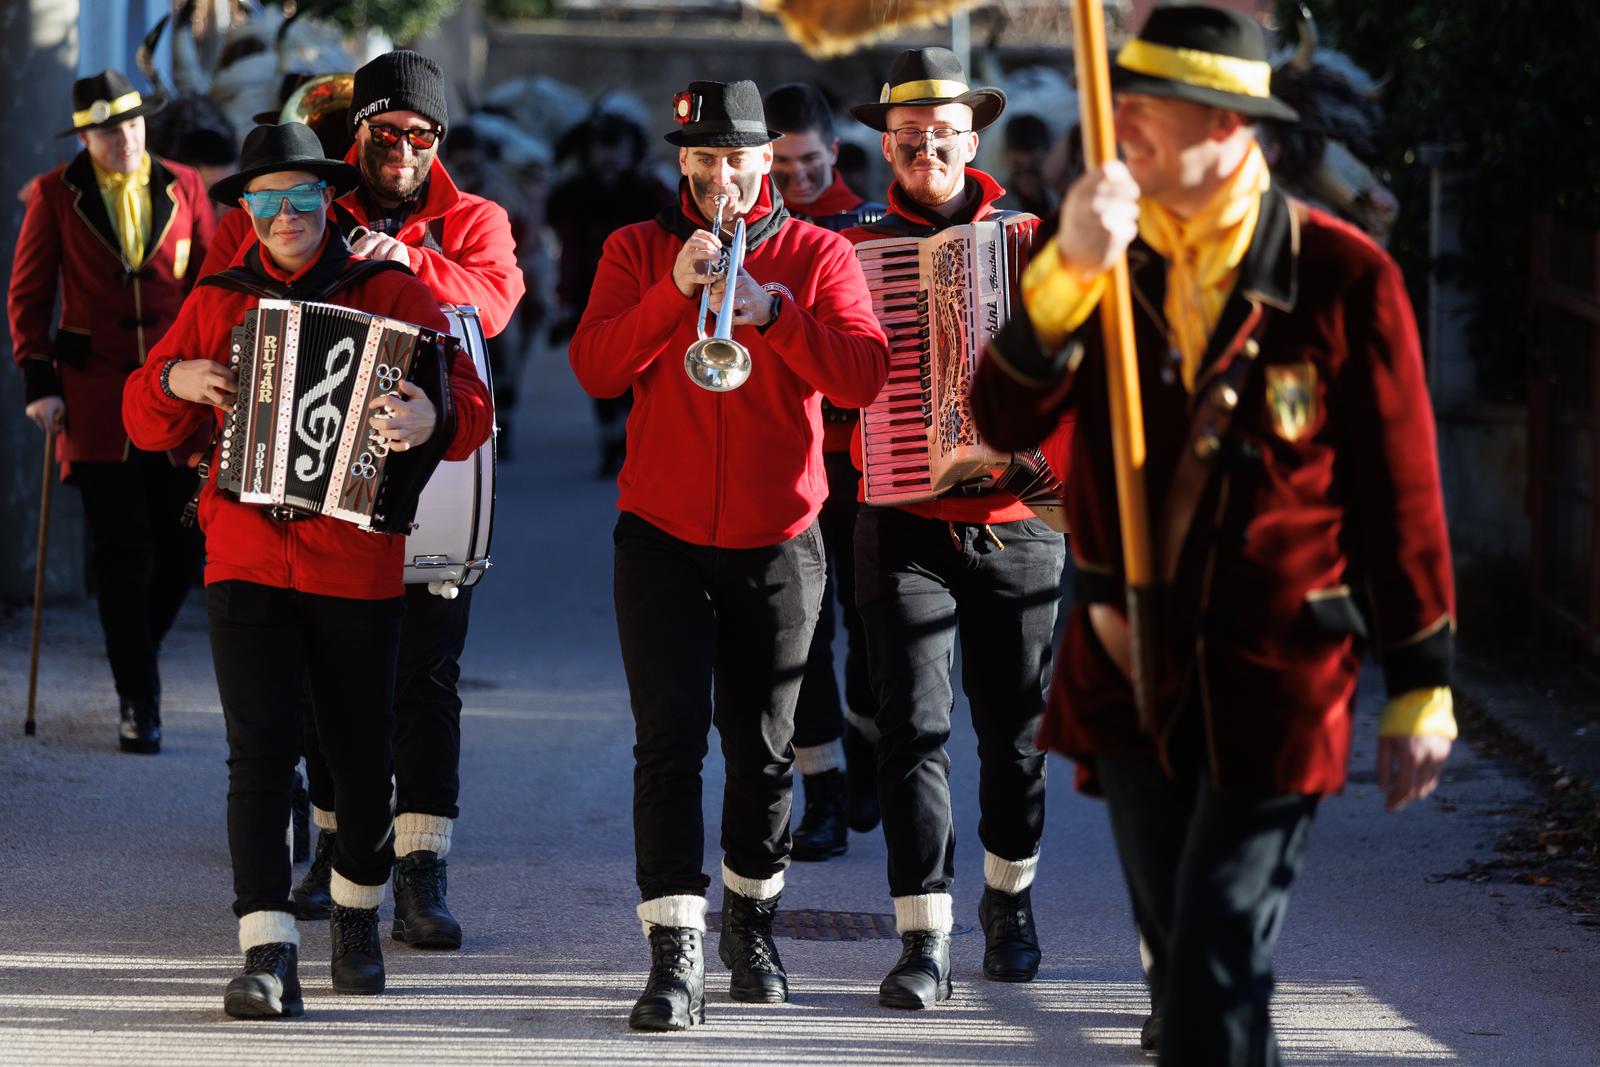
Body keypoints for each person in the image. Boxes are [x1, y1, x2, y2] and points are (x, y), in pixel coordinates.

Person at [969, 6, 1456, 1061]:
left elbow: (1400, 490)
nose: (1119, 122)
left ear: (1228, 127)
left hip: (1274, 675)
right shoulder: (1089, 244)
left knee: (1215, 960)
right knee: (1186, 959)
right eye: (1121, 100)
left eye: (1148, 108)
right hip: (1123, 663)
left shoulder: (1341, 273)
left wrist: (1421, 679)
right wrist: (1063, 281)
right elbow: (996, 421)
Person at [121, 121, 492, 1018]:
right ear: (245, 210)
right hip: (244, 553)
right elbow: (143, 417)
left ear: (328, 200)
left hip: (354, 558)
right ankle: (267, 948)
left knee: (360, 756)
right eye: (265, 199)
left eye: (301, 197)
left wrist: (426, 420)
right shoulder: (219, 295)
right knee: (260, 754)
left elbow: (470, 408)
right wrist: (175, 383)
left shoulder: (393, 290)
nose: (284, 215)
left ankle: (358, 917)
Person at [569, 79, 888, 1030]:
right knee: (667, 742)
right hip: (659, 536)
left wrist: (772, 314)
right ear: (682, 163)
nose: (720, 179)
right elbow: (593, 366)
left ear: (767, 157)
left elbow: (864, 376)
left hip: (780, 539)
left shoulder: (820, 252)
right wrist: (675, 295)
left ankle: (750, 925)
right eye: (701, 160)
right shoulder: (635, 248)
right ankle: (673, 952)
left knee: (762, 752)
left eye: (735, 160)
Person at [201, 51, 525, 951]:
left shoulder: (476, 219)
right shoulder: (306, 201)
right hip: (312, 492)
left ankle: (422, 870)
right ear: (359, 134)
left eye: (421, 137)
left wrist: (410, 262)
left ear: (438, 141)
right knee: (322, 692)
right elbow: (227, 285)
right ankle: (341, 852)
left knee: (425, 678)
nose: (403, 151)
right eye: (386, 135)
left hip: (430, 470)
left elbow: (495, 303)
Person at [840, 47, 1067, 1009]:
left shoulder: (1037, 239)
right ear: (887, 143)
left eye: (942, 133)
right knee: (912, 730)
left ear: (972, 138)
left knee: (1015, 733)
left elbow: (1079, 371)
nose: (924, 147)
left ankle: (1009, 906)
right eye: (906, 135)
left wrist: (1038, 463)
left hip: (1020, 520)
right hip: (901, 519)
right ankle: (921, 936)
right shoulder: (850, 243)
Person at [8, 69, 216, 755]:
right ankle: (139, 697)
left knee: (184, 543)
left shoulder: (186, 187)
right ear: (85, 136)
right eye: (104, 129)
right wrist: (40, 381)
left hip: (176, 396)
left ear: (143, 123)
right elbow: (29, 296)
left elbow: (212, 286)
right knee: (120, 550)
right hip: (95, 399)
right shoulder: (52, 194)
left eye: (129, 124)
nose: (121, 138)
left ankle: (137, 655)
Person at [761, 82, 886, 861]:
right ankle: (826, 791)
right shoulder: (745, 230)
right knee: (803, 633)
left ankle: (868, 748)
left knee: (875, 629)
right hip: (788, 458)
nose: (797, 176)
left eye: (809, 160)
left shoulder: (875, 229)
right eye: (780, 163)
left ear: (834, 152)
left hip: (869, 461)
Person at [548, 112, 675, 477]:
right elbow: (567, 248)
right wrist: (565, 301)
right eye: (601, 150)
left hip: (644, 293)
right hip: (591, 290)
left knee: (640, 375)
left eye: (616, 150)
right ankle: (610, 446)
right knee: (603, 372)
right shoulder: (576, 192)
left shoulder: (648, 188)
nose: (608, 158)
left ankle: (631, 445)